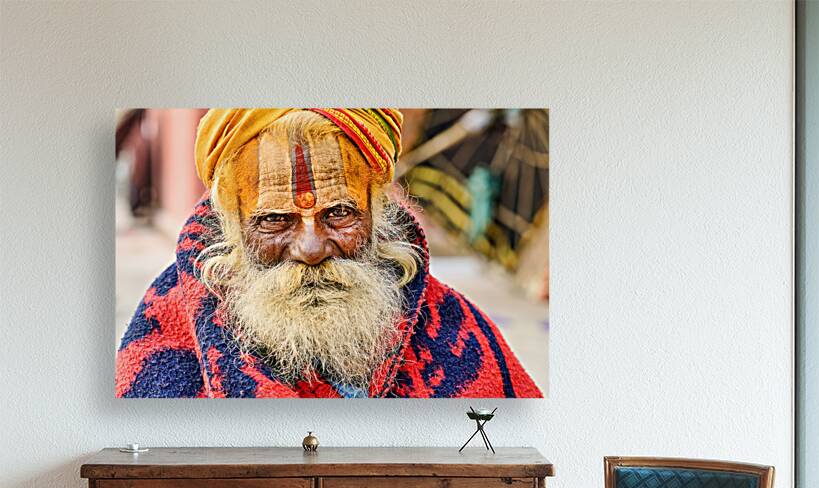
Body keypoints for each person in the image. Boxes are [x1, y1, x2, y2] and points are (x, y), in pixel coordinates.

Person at [116, 108, 542, 398]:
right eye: (274, 219)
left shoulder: (456, 331)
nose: (311, 248)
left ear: (378, 213)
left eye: (339, 213)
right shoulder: (163, 337)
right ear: (231, 224)